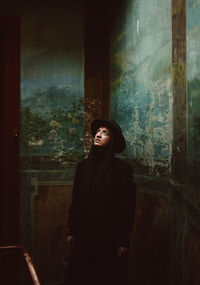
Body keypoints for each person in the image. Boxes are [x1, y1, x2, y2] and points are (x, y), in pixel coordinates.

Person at [64, 119, 136, 285]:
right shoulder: (82, 167)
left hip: (108, 238)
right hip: (83, 235)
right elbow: (76, 201)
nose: (98, 134)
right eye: (98, 131)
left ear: (112, 140)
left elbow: (127, 208)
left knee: (105, 277)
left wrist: (123, 241)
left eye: (105, 133)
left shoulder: (122, 170)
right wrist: (71, 231)